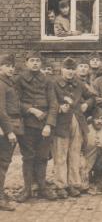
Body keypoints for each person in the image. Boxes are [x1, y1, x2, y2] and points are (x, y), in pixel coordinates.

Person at [16, 51, 58, 202]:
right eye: (32, 60)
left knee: (42, 157)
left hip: (45, 125)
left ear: (41, 63)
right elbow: (15, 102)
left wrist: (49, 124)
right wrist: (31, 109)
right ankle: (27, 189)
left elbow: (54, 104)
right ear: (26, 62)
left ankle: (42, 187)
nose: (35, 63)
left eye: (38, 61)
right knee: (28, 157)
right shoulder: (19, 80)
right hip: (27, 125)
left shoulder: (48, 80)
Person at [53, 57, 95, 198]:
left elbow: (92, 97)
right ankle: (61, 185)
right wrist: (59, 108)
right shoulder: (54, 84)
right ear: (62, 70)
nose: (70, 72)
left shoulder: (79, 84)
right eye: (67, 69)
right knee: (60, 155)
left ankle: (74, 184)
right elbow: (49, 102)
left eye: (72, 69)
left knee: (75, 153)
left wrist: (86, 104)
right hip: (61, 122)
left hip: (77, 120)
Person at [0, 54, 23, 211]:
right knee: (2, 163)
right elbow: (1, 109)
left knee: (4, 162)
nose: (10, 68)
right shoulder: (1, 84)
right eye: (7, 65)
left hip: (11, 124)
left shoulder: (9, 82)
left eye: (12, 66)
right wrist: (8, 131)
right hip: (4, 127)